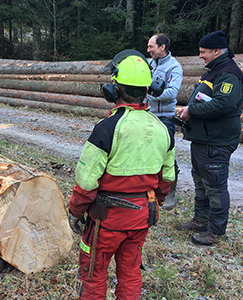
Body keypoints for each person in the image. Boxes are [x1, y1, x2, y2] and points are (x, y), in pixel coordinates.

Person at [67, 50, 176, 300]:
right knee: (130, 272)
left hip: (107, 218)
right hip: (142, 216)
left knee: (93, 273)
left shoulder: (107, 129)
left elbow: (85, 182)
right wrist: (152, 200)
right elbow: (167, 179)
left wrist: (75, 212)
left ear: (114, 90)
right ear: (148, 90)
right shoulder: (162, 129)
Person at [176, 30, 243, 246]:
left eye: (203, 52)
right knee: (201, 181)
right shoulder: (215, 71)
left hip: (217, 141)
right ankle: (201, 220)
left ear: (217, 51)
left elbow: (224, 104)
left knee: (215, 186)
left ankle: (216, 231)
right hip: (203, 140)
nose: (200, 56)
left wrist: (192, 111)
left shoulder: (228, 74)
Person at [145, 33, 183, 210]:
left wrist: (147, 93)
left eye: (151, 46)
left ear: (162, 47)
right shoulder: (148, 64)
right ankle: (148, 189)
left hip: (165, 118)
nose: (148, 50)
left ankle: (170, 194)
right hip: (148, 115)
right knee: (147, 153)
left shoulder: (174, 67)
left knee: (167, 155)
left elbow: (172, 92)